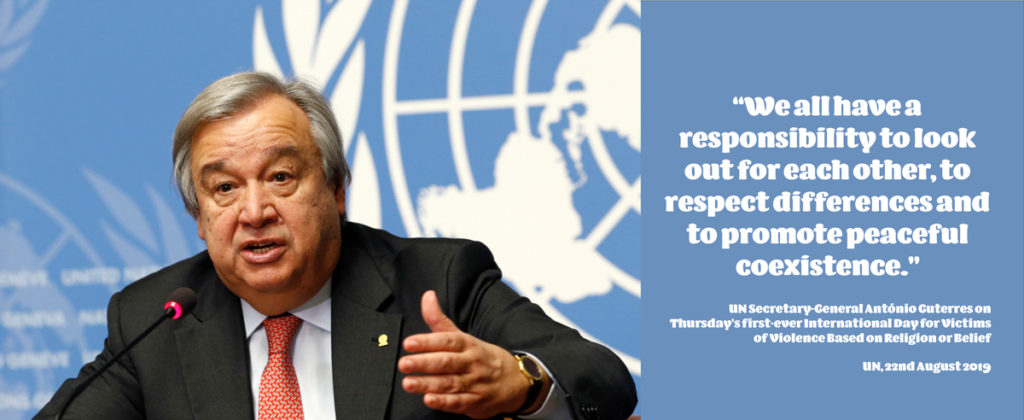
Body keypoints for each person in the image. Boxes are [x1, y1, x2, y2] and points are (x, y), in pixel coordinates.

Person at [36, 72, 636, 419]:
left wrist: (523, 381)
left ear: (335, 189)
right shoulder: (155, 319)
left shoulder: (437, 281)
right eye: (223, 188)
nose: (253, 212)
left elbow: (603, 376)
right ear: (199, 217)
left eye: (280, 177)